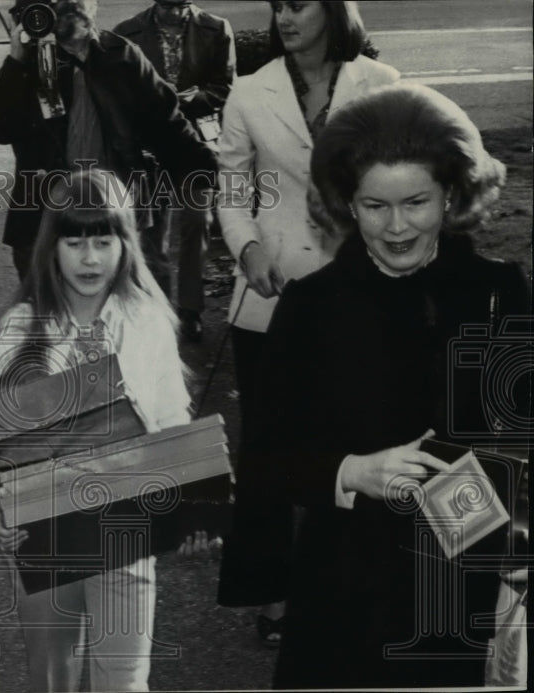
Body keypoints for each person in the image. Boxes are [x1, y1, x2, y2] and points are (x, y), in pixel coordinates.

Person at [258, 83, 530, 688]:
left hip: (463, 586)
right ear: (346, 205)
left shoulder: (498, 292)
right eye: (375, 206)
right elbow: (266, 461)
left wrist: (516, 538)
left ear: (452, 195)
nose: (398, 226)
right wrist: (349, 471)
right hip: (344, 588)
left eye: (417, 202)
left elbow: (521, 436)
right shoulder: (310, 307)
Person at [214, 0, 398, 646]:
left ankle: (359, 582)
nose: (284, 17)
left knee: (358, 439)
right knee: (269, 447)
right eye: (277, 6)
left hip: (362, 297)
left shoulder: (382, 85)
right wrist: (249, 249)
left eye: (299, 5)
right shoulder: (247, 92)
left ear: (334, 10)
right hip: (271, 297)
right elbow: (231, 189)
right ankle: (272, 592)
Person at [0, 170, 206, 692]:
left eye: (104, 242)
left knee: (124, 679)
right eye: (75, 242)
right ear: (51, 247)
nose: (89, 259)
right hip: (44, 525)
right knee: (52, 674)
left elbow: (173, 419)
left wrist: (197, 503)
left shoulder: (148, 319)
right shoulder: (21, 325)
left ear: (126, 244)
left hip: (127, 523)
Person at [0, 0, 218, 285]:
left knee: (130, 309)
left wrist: (213, 172)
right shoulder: (31, 63)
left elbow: (168, 126)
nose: (68, 7)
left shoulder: (121, 55)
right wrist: (16, 62)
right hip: (47, 218)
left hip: (116, 214)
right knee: (49, 315)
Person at [113, 0, 237, 341]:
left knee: (197, 221)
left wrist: (194, 99)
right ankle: (161, 310)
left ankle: (191, 309)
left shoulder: (216, 28)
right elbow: (121, 96)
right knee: (153, 235)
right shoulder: (128, 33)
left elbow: (226, 86)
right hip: (150, 149)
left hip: (194, 145)